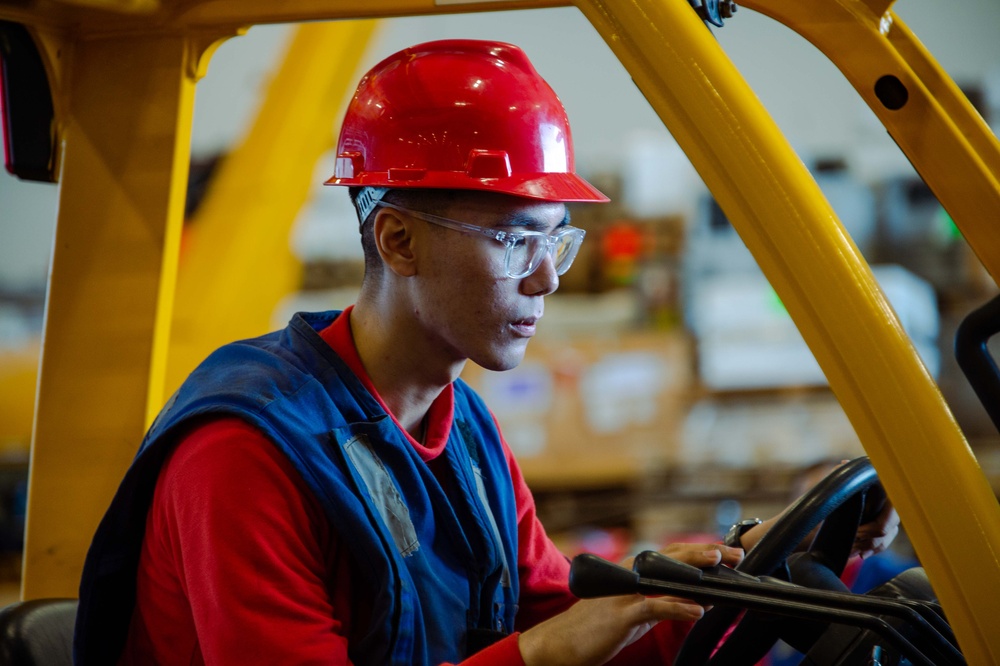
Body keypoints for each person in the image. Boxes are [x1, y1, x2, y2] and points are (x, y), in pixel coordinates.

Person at [74, 39, 897, 665]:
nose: (546, 280)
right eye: (512, 239)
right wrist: (544, 653)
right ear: (396, 239)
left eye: (556, 241)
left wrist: (718, 590)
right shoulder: (250, 456)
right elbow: (545, 648)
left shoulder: (461, 429)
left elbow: (553, 620)